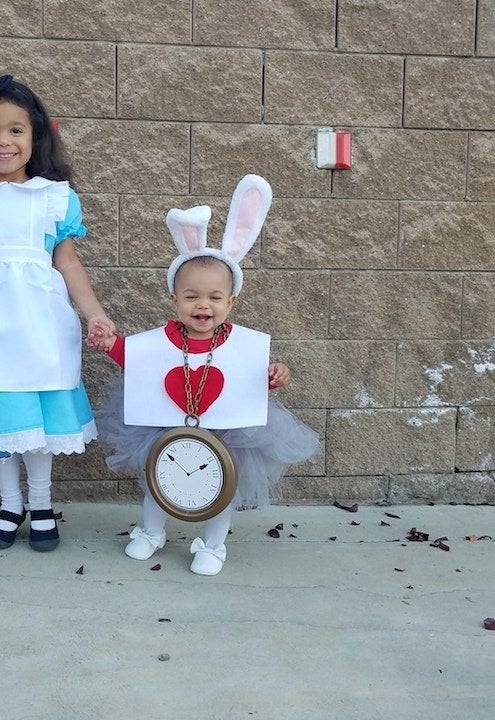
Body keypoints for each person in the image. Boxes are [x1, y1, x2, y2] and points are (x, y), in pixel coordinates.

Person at [87, 175, 320, 575]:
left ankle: (213, 546)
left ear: (231, 301)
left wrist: (276, 374)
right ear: (174, 299)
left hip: (228, 432)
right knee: (159, 477)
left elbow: (252, 377)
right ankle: (151, 531)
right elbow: (139, 360)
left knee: (221, 488)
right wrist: (110, 343)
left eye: (214, 297)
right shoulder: (162, 340)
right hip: (167, 428)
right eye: (192, 296)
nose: (203, 305)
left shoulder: (241, 345)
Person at [0, 75, 115, 552]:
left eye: (15, 130)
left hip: (40, 321)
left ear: (35, 137)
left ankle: (44, 503)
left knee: (36, 419)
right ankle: (10, 504)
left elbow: (67, 261)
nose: (3, 141)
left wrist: (94, 313)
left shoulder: (52, 196)